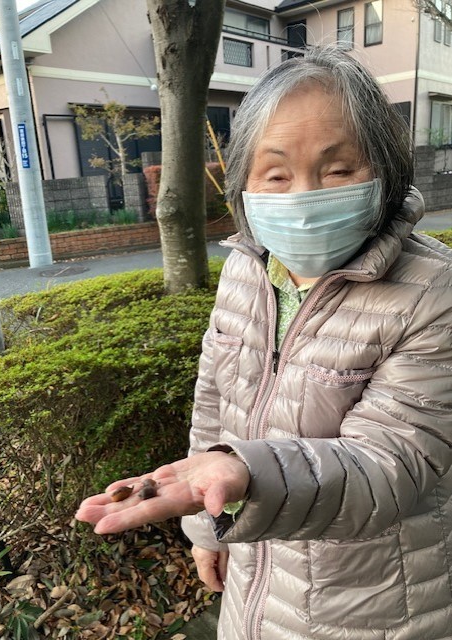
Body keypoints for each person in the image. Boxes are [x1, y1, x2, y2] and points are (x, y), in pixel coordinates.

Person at [76, 46, 452, 639]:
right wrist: (206, 529)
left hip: (375, 600)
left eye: (337, 170)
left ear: (384, 172)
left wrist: (244, 472)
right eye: (276, 174)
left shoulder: (434, 291)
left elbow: (390, 463)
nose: (302, 197)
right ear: (244, 185)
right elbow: (213, 404)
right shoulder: (247, 270)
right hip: (253, 583)